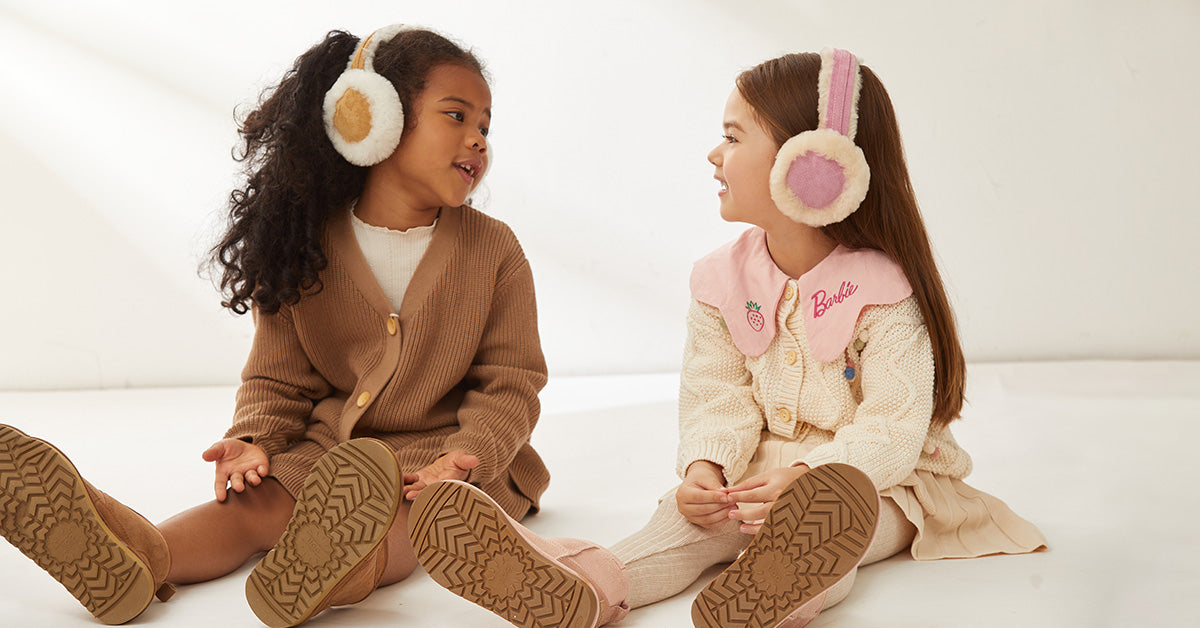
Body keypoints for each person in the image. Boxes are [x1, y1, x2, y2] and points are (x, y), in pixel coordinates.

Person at [407, 48, 1048, 628]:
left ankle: (778, 588)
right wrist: (705, 469)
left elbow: (893, 425)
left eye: (733, 137)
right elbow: (717, 395)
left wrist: (808, 474)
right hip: (752, 474)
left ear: (812, 167)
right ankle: (579, 583)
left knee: (844, 525)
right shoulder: (722, 280)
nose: (714, 155)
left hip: (879, 482)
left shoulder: (882, 289)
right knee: (678, 527)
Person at [0, 24, 550, 627]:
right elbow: (278, 376)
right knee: (252, 505)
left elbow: (510, 382)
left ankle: (329, 567)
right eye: (456, 116)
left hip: (447, 465)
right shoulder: (303, 246)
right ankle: (133, 561)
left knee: (411, 519)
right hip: (336, 461)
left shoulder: (493, 250)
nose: (478, 140)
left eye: (486, 126)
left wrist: (467, 454)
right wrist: (256, 441)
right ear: (371, 121)